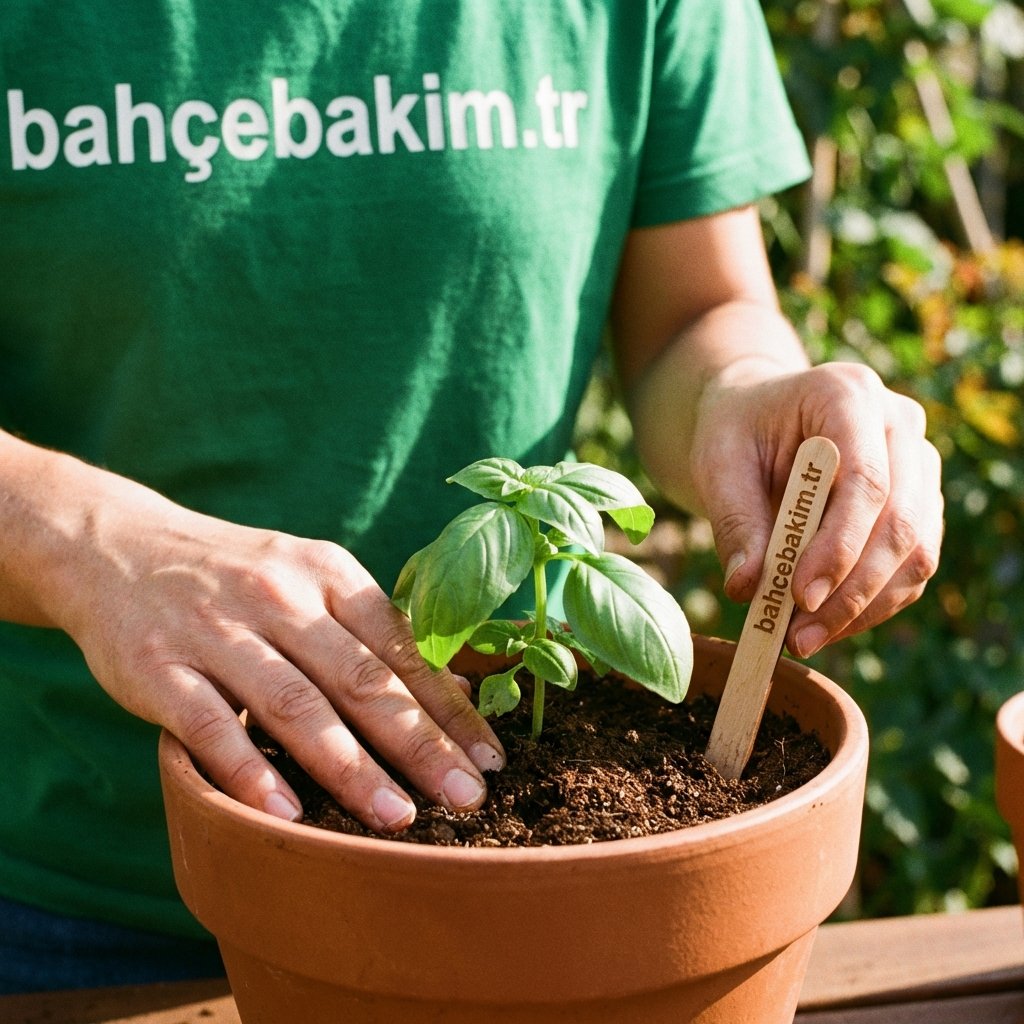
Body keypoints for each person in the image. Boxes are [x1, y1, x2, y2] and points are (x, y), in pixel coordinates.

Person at [0, 0, 942, 994]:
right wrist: (85, 536)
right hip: (69, 900)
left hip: (544, 917)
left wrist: (743, 395)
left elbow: (695, 310)